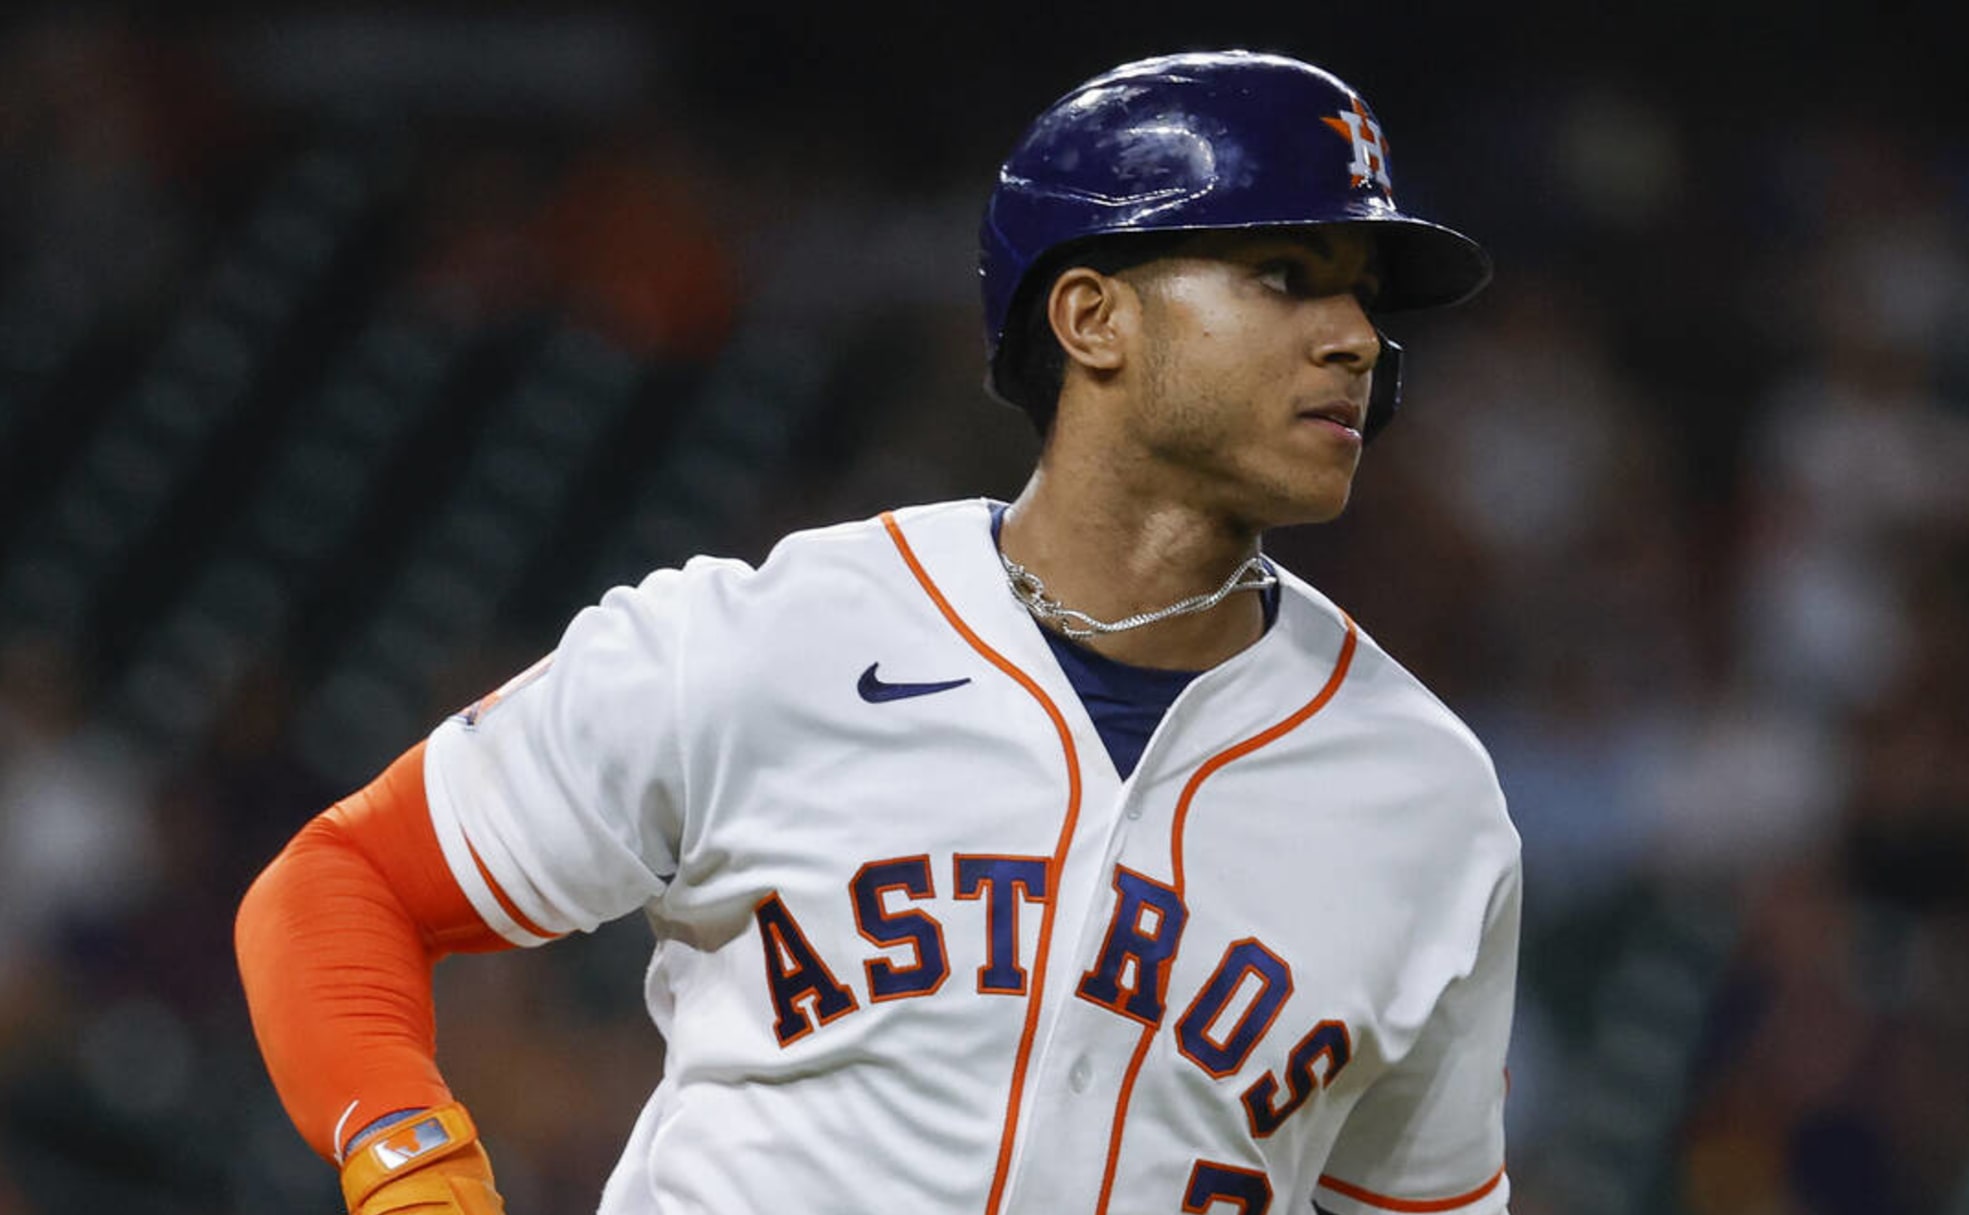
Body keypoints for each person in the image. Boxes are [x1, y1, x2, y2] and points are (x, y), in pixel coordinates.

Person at [236, 49, 1522, 1215]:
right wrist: (411, 1159)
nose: (1356, 339)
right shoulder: (770, 640)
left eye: (1364, 301)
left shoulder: (1427, 797)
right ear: (1093, 321)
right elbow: (341, 887)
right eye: (1286, 277)